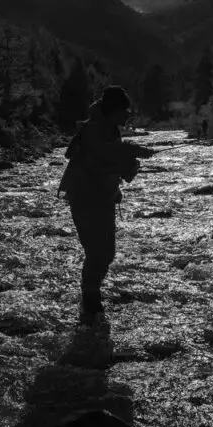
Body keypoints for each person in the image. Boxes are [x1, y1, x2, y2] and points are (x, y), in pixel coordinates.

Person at [58, 86, 156, 319]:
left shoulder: (109, 129)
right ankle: (90, 299)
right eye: (124, 111)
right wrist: (134, 152)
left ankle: (90, 295)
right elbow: (104, 154)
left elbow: (111, 162)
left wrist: (130, 163)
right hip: (84, 197)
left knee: (106, 253)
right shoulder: (94, 129)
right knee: (97, 252)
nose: (126, 116)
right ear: (113, 111)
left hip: (102, 196)